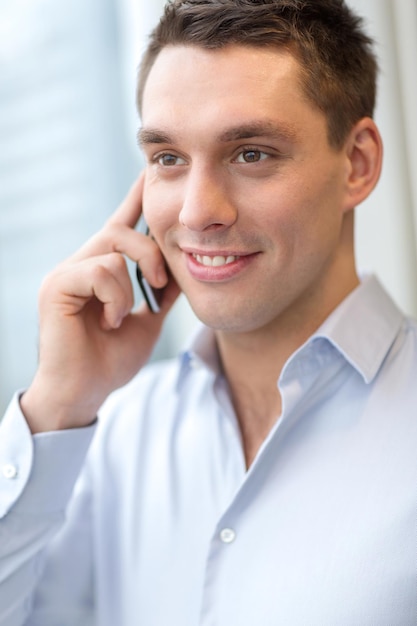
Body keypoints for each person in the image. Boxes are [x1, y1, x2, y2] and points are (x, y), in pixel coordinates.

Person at [1, 0, 416, 624]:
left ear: (356, 163)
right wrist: (57, 403)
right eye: (167, 158)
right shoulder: (108, 432)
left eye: (251, 153)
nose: (196, 213)